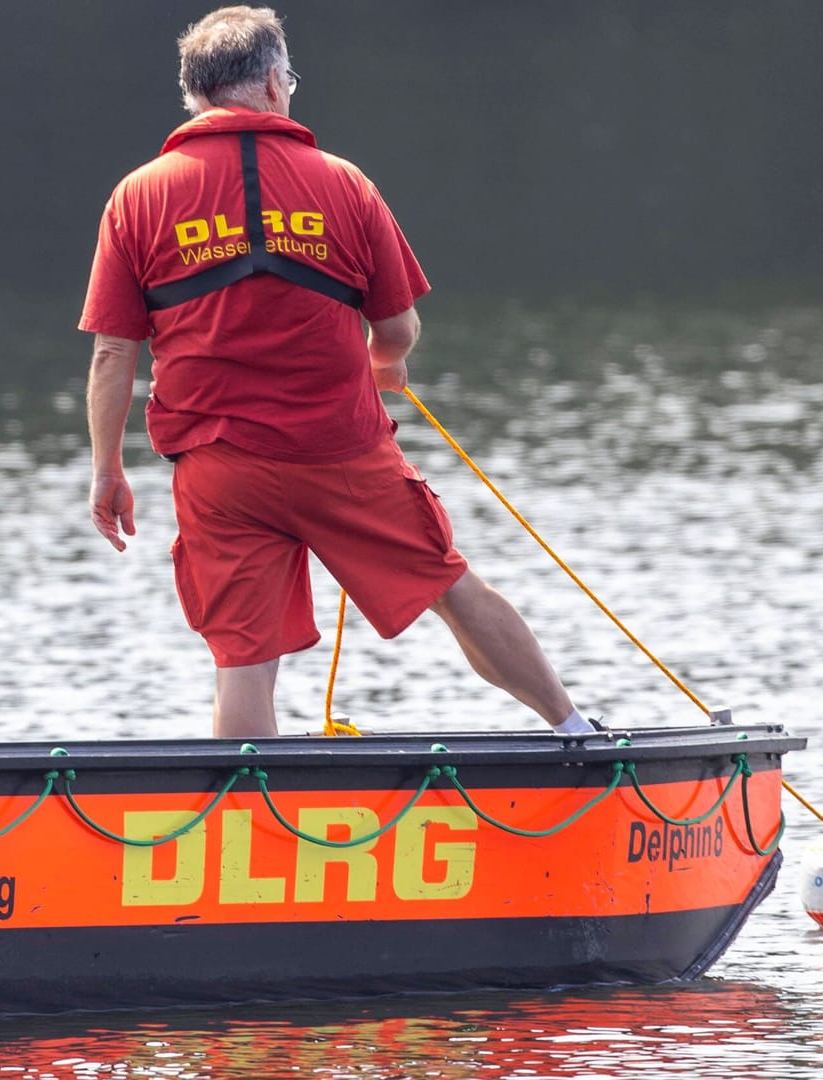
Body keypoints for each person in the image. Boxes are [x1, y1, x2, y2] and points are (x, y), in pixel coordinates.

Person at [80, 6, 592, 739]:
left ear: (195, 94)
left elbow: (112, 352)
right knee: (449, 586)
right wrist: (387, 366)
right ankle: (575, 732)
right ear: (268, 83)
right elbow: (397, 327)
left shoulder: (137, 197)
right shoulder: (345, 184)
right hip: (341, 453)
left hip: (219, 467)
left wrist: (106, 469)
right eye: (287, 75)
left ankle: (249, 821)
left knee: (243, 657)